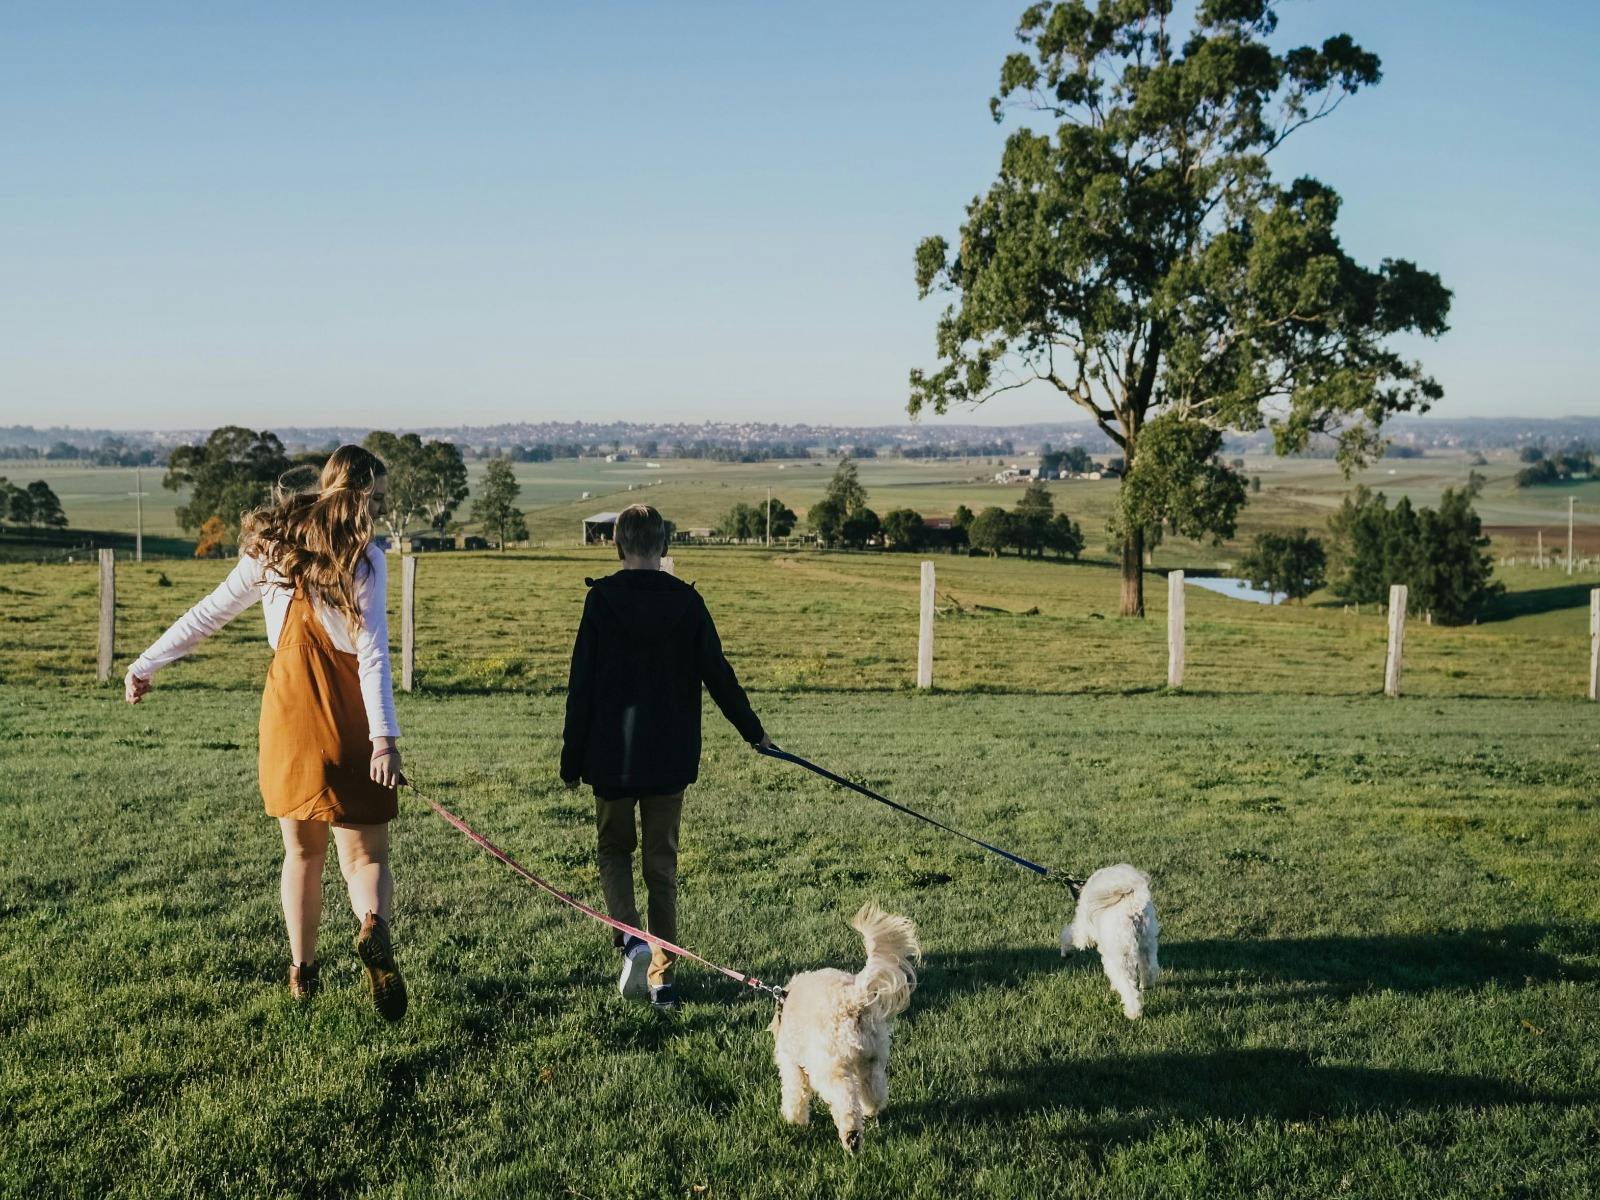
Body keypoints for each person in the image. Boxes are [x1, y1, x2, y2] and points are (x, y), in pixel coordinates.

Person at [124, 445, 408, 1021]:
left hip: (290, 718)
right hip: (350, 719)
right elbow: (374, 655)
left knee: (300, 853)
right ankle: (371, 926)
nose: (379, 509)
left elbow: (208, 613)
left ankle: (302, 975)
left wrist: (145, 663)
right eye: (377, 498)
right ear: (360, 496)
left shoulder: (273, 549)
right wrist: (383, 740)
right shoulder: (365, 561)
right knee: (365, 856)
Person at [561, 504, 771, 1010]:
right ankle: (663, 981)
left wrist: (571, 756)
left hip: (611, 758)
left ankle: (630, 938)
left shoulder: (600, 601)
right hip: (670, 759)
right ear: (665, 546)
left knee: (614, 851)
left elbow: (581, 685)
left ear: (618, 546)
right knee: (662, 868)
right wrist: (754, 732)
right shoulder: (688, 603)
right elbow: (719, 675)